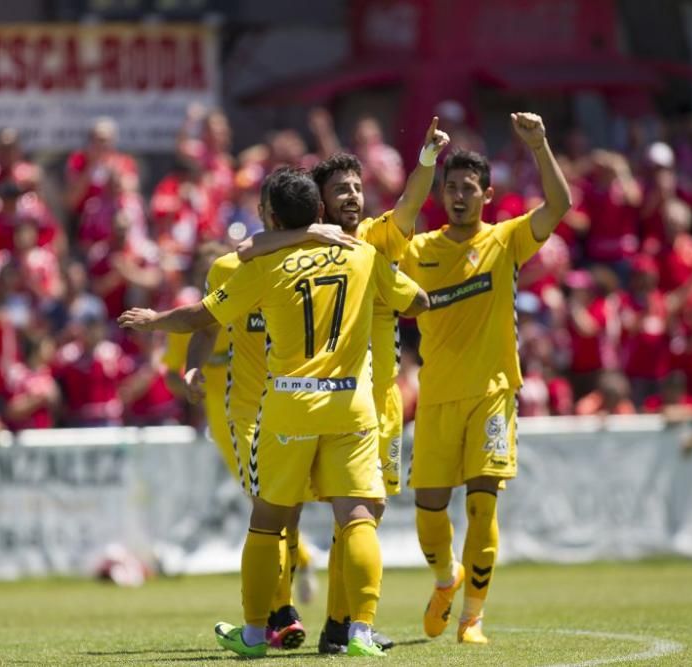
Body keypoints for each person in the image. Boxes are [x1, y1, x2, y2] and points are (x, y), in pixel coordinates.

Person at [118, 168, 430, 658]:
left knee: (269, 521)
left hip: (288, 402)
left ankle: (253, 633)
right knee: (358, 518)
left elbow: (202, 317)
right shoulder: (363, 256)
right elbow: (420, 300)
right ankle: (361, 632)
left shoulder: (264, 268)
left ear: (273, 217)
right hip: (351, 403)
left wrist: (155, 321)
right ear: (319, 212)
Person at [236, 116, 450, 653]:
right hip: (333, 401)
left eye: (357, 187)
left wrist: (426, 160)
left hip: (376, 403)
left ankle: (338, 622)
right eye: (341, 191)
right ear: (321, 206)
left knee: (359, 517)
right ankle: (287, 612)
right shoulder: (302, 249)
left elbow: (409, 206)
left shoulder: (375, 237)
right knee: (295, 515)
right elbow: (254, 244)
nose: (353, 197)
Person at [398, 112, 571, 645]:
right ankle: (446, 581)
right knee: (429, 514)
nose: (458, 196)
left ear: (487, 196)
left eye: (468, 189)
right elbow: (383, 247)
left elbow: (560, 206)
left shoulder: (507, 241)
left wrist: (540, 145)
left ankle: (473, 617)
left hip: (494, 395)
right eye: (450, 188)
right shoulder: (419, 250)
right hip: (437, 398)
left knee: (481, 504)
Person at [178, 175, 353, 650]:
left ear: (268, 214)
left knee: (282, 515)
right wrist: (193, 370)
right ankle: (288, 613)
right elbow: (205, 327)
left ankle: (281, 617)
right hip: (253, 412)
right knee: (279, 512)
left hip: (290, 406)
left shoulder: (302, 264)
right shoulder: (230, 268)